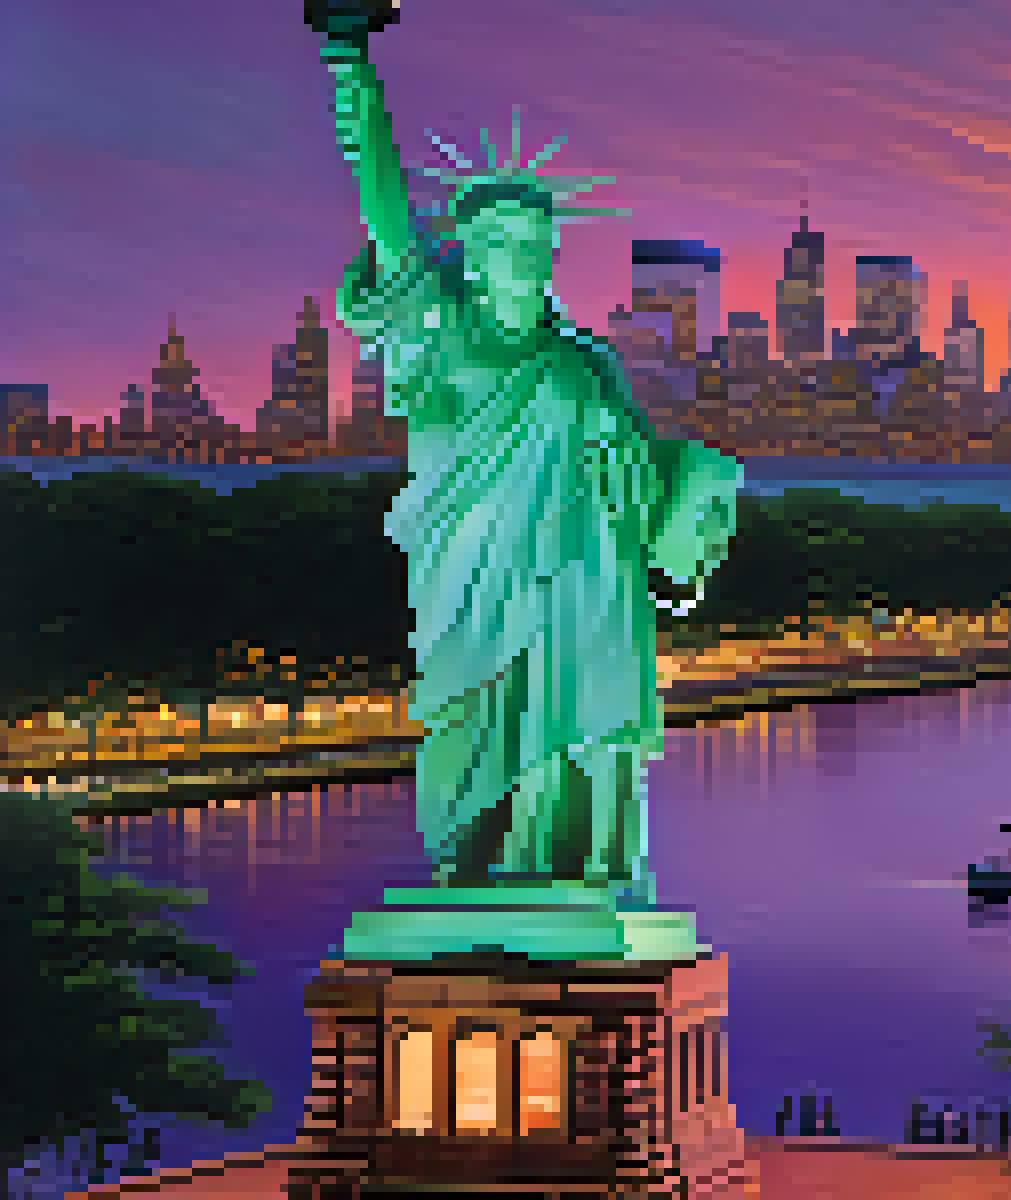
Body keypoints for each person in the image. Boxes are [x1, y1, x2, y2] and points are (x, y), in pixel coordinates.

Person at [313, 2, 740, 906]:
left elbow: (642, 466)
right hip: (477, 563)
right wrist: (350, 64)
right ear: (467, 248)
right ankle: (478, 870)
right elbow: (383, 202)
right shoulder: (443, 333)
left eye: (538, 241)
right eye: (504, 239)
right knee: (473, 723)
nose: (527, 254)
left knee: (589, 727)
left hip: (591, 573)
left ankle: (588, 868)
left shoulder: (586, 359)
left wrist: (691, 507)